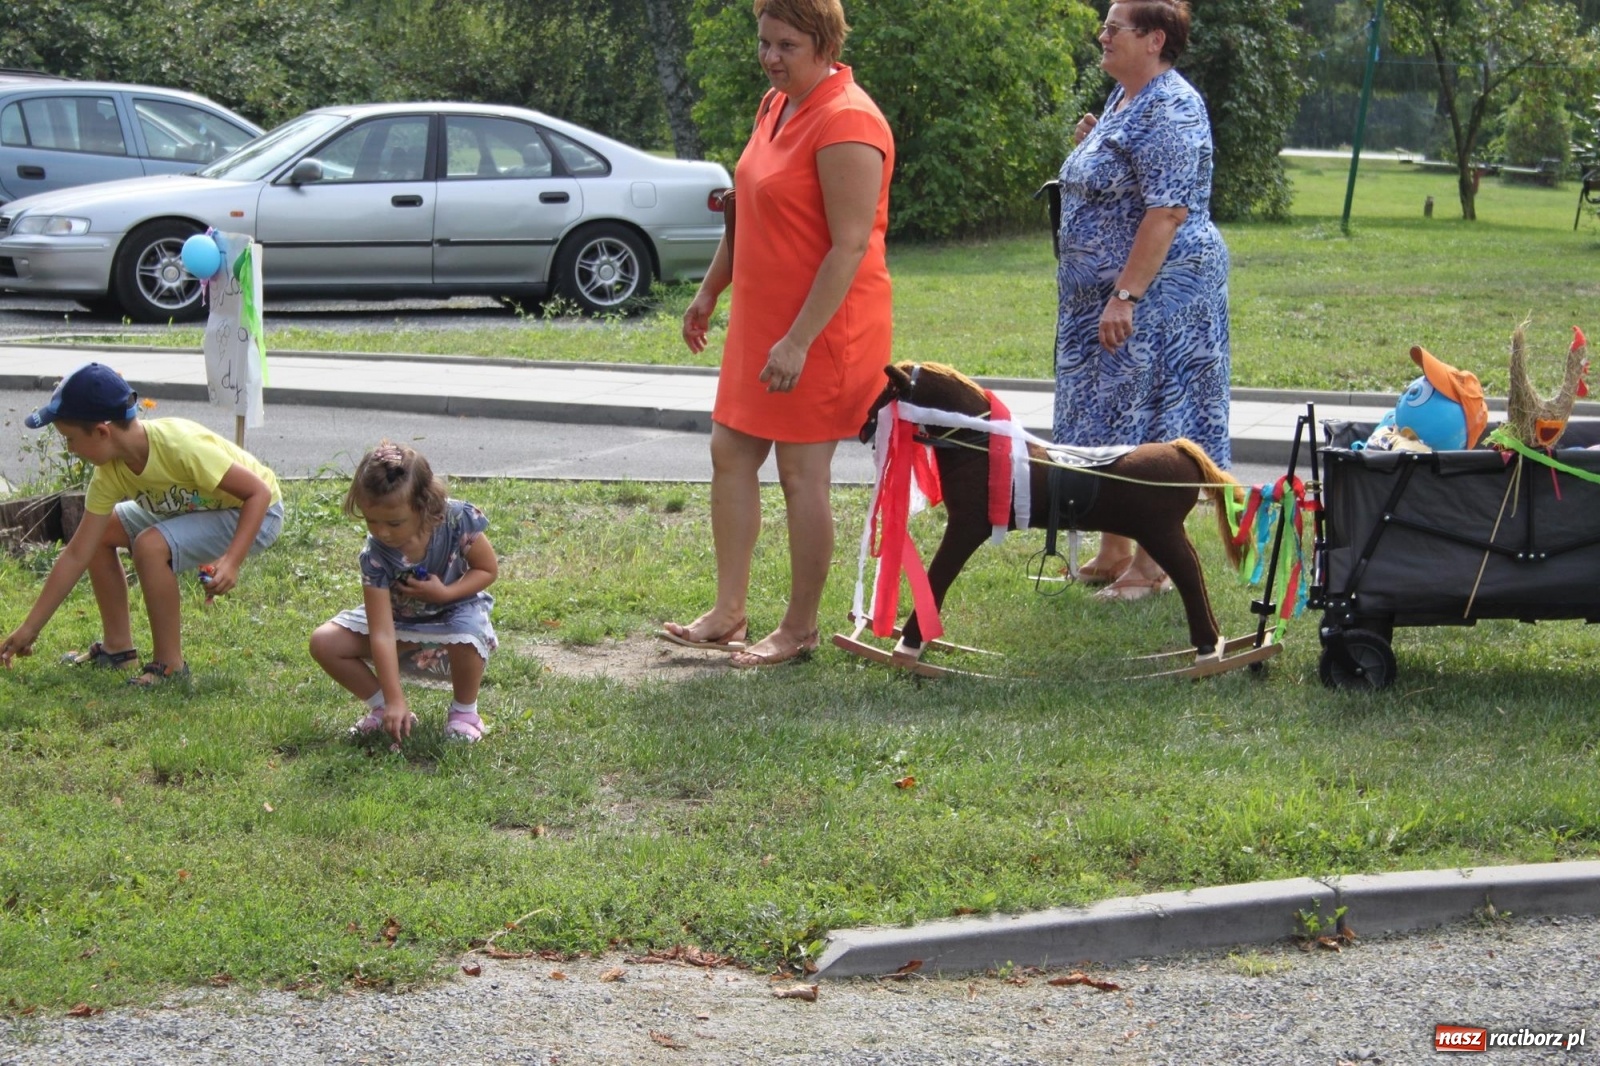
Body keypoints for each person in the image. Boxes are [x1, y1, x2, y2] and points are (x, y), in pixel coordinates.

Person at [664, 0, 894, 667]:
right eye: (763, 43)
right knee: (730, 453)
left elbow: (849, 247)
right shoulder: (777, 105)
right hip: (763, 322)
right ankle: (728, 612)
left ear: (823, 41)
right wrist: (711, 290)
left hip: (823, 327)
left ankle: (798, 628)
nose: (770, 58)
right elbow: (749, 212)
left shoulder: (848, 119)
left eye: (785, 45)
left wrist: (798, 340)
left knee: (801, 473)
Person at [1053, 0, 1231, 601]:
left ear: (1154, 39)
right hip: (1105, 297)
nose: (1101, 35)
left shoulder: (1173, 108)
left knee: (1155, 421)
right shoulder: (1126, 99)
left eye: (1114, 28)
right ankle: (1115, 547)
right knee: (1110, 415)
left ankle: (1152, 566)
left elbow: (1168, 211)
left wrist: (1125, 295)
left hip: (1159, 300)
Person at [0, 363, 283, 685]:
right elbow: (78, 552)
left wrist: (231, 561)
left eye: (71, 439)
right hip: (196, 507)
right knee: (101, 532)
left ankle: (169, 665)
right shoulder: (110, 470)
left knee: (150, 545)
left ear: (102, 431)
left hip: (258, 513)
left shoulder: (179, 445)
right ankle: (118, 649)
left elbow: (257, 493)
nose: (70, 449)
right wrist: (30, 628)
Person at [310, 441, 498, 745]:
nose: (382, 532)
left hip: (454, 611)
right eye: (372, 520)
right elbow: (382, 632)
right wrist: (395, 698)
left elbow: (487, 570)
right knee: (324, 642)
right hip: (400, 621)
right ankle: (385, 707)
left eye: (394, 522)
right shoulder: (375, 554)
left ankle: (465, 714)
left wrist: (445, 594)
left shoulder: (456, 520)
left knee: (469, 634)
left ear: (424, 504)